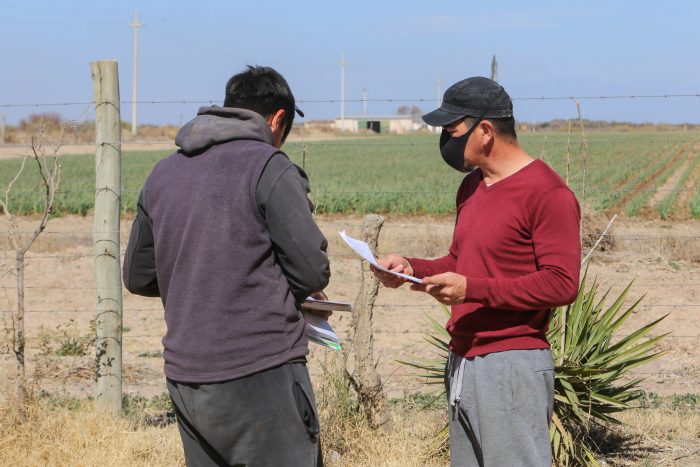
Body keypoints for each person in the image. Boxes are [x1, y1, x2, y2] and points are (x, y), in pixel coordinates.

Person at [123, 65, 330, 466]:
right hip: (260, 371)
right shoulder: (269, 166)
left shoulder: (162, 173)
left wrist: (202, 274)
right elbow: (311, 272)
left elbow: (138, 275)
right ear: (277, 120)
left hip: (186, 376)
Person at [373, 77, 581, 466]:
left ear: (485, 130)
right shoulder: (472, 186)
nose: (445, 141)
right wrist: (411, 268)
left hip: (511, 365)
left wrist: (473, 289)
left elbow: (562, 282)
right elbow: (461, 260)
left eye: (451, 130)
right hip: (463, 359)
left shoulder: (547, 193)